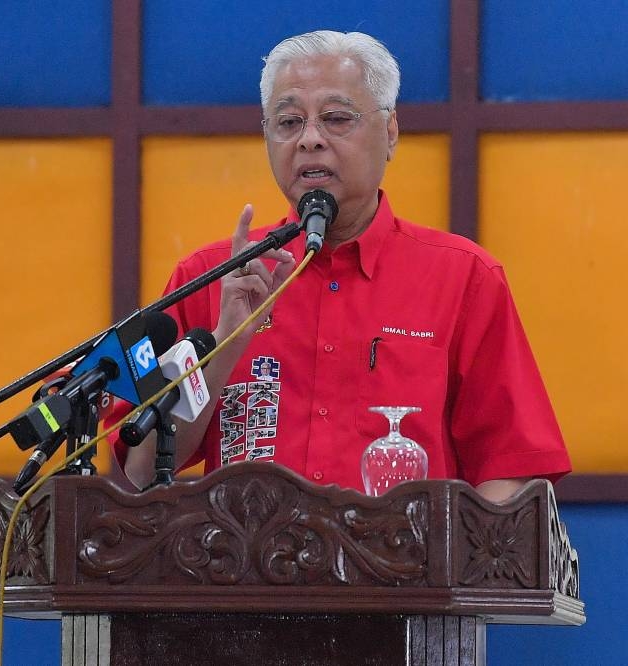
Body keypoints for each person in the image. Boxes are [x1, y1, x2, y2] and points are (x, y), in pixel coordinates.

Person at [110, 30, 571, 501]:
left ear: (390, 132)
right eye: (288, 122)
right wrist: (231, 338)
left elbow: (512, 469)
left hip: (407, 569)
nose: (310, 140)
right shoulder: (210, 278)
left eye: (335, 118)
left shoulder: (465, 278)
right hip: (242, 568)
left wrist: (457, 565)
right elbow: (141, 468)